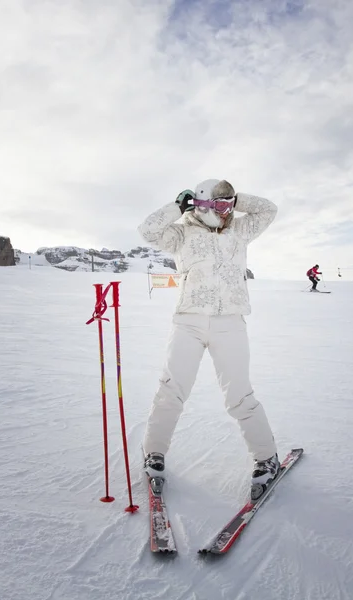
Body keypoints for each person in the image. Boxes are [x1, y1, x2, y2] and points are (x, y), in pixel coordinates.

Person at [138, 179, 279, 500]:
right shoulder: (181, 233)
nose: (226, 211)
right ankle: (154, 452)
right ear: (200, 205)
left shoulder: (240, 231)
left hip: (230, 322)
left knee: (239, 395)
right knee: (171, 389)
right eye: (218, 205)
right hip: (188, 321)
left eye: (229, 205)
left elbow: (268, 209)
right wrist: (176, 208)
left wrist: (237, 199)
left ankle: (267, 457)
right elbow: (147, 230)